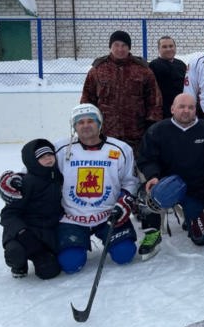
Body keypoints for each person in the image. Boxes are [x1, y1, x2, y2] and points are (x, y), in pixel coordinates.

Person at [53, 104, 141, 273]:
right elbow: (35, 170)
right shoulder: (61, 148)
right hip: (72, 217)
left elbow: (130, 181)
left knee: (125, 254)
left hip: (108, 215)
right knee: (70, 263)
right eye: (80, 122)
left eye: (90, 121)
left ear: (99, 123)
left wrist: (125, 200)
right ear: (74, 126)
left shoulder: (120, 149)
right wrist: (15, 180)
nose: (85, 125)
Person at [137, 93, 204, 252]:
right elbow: (146, 158)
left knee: (203, 236)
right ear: (172, 109)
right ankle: (152, 232)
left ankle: (191, 218)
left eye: (191, 107)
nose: (186, 110)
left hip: (196, 189)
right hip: (165, 187)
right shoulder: (157, 130)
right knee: (144, 195)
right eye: (181, 106)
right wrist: (152, 176)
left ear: (196, 110)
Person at [80, 30, 163, 155]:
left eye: (124, 45)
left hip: (136, 134)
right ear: (110, 47)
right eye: (116, 45)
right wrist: (89, 126)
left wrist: (151, 127)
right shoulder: (97, 70)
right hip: (105, 133)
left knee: (134, 170)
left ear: (129, 47)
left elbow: (154, 100)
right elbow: (87, 99)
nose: (120, 49)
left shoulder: (143, 70)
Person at [0, 139, 63, 279]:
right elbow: (8, 215)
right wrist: (21, 232)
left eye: (50, 155)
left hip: (46, 232)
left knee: (49, 272)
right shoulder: (26, 183)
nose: (48, 159)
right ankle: (18, 264)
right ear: (32, 161)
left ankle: (42, 255)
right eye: (42, 157)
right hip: (24, 232)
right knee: (15, 252)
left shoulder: (57, 177)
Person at [149, 35, 187, 119]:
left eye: (171, 46)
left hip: (181, 110)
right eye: (164, 47)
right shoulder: (153, 66)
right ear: (159, 49)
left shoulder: (181, 65)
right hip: (163, 113)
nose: (168, 49)